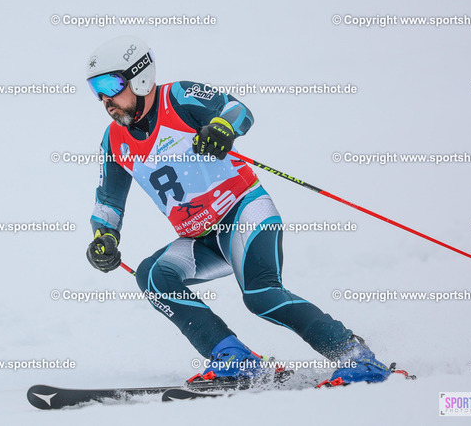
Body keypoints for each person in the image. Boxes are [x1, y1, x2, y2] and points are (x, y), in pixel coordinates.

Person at [84, 35, 391, 386]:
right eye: (96, 89)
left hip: (244, 213)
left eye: (110, 85)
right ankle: (235, 358)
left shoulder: (178, 96)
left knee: (261, 296)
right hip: (201, 239)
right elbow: (108, 200)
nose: (105, 99)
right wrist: (103, 236)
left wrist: (222, 127)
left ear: (140, 77)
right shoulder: (114, 140)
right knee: (153, 276)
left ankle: (356, 356)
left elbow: (237, 110)